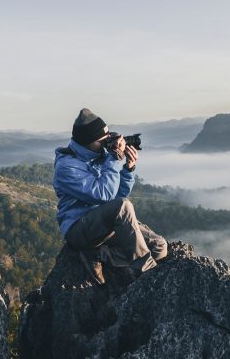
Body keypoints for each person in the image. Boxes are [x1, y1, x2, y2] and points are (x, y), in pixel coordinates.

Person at [53, 108, 167, 285]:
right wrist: (113, 159)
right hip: (79, 229)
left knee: (159, 246)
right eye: (102, 141)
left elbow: (117, 196)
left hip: (104, 225)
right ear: (87, 142)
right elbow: (105, 196)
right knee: (123, 206)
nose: (107, 144)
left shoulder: (100, 156)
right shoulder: (67, 167)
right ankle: (146, 274)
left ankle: (101, 255)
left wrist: (128, 170)